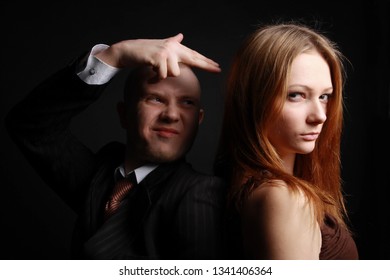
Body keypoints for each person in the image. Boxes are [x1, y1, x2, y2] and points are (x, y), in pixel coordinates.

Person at [5, 33, 227, 259]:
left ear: (198, 120)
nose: (171, 115)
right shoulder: (102, 177)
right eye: (155, 99)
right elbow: (31, 125)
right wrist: (115, 55)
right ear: (124, 114)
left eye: (186, 102)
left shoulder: (200, 193)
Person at [214, 22, 359, 259]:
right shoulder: (283, 197)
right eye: (296, 95)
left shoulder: (248, 190)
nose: (320, 116)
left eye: (324, 96)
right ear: (255, 100)